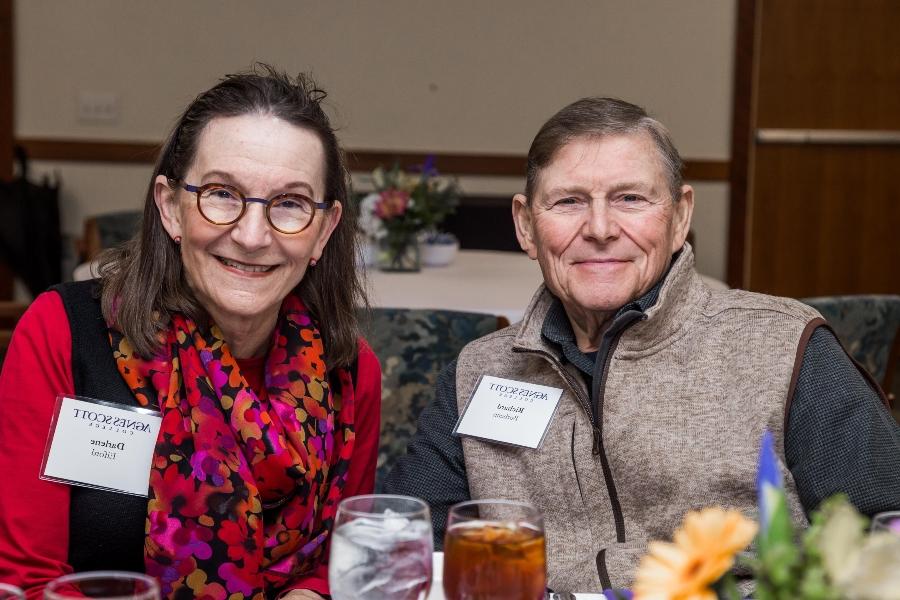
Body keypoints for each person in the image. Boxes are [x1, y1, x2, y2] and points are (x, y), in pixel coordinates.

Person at [383, 97, 900, 592]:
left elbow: (885, 546)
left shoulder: (785, 348)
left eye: (630, 198)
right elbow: (411, 551)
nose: (601, 229)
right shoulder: (479, 372)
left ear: (679, 217)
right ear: (525, 225)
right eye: (568, 201)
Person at [0, 66, 381, 600]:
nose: (252, 236)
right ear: (170, 208)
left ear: (324, 230)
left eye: (290, 204)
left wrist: (311, 593)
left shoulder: (350, 371)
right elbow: (27, 578)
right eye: (222, 194)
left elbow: (342, 558)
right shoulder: (63, 333)